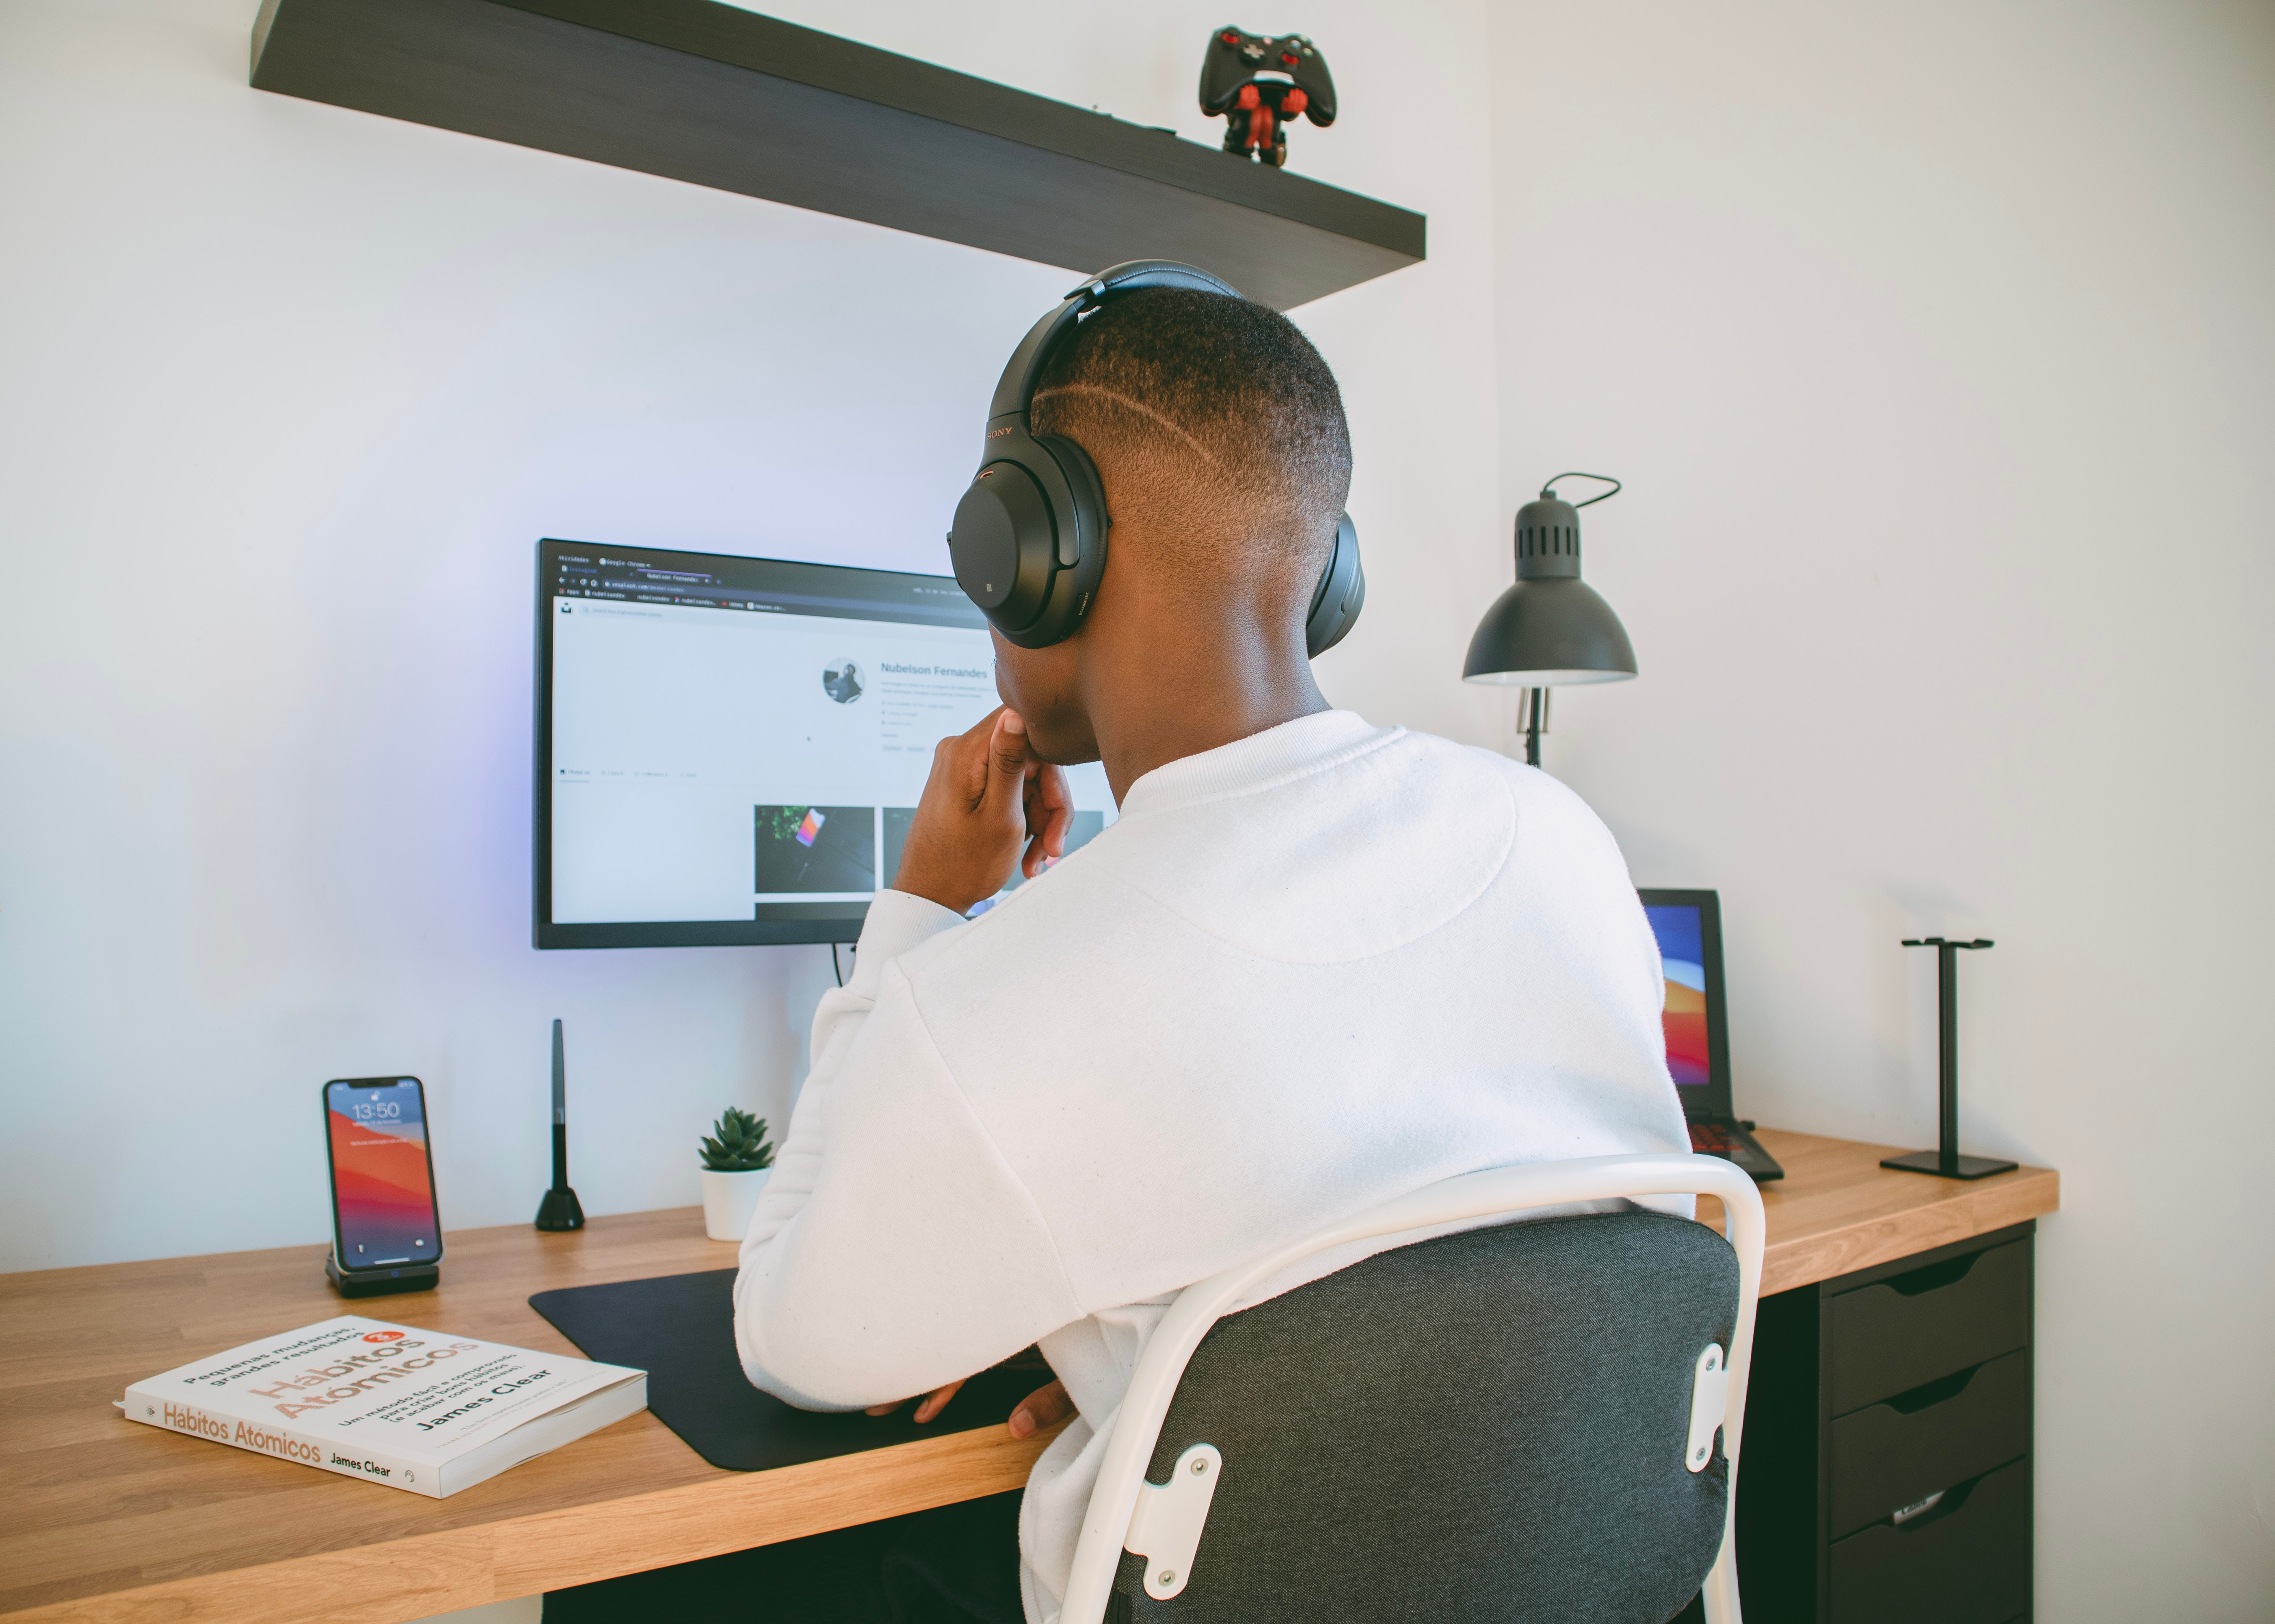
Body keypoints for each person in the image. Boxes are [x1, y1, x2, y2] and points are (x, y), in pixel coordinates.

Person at [549, 288, 1690, 1623]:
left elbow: (793, 1343)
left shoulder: (1012, 985)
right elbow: (1476, 1241)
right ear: (1324, 568)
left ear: (1041, 547)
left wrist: (916, 913)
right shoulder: (1557, 836)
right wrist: (1160, 1372)